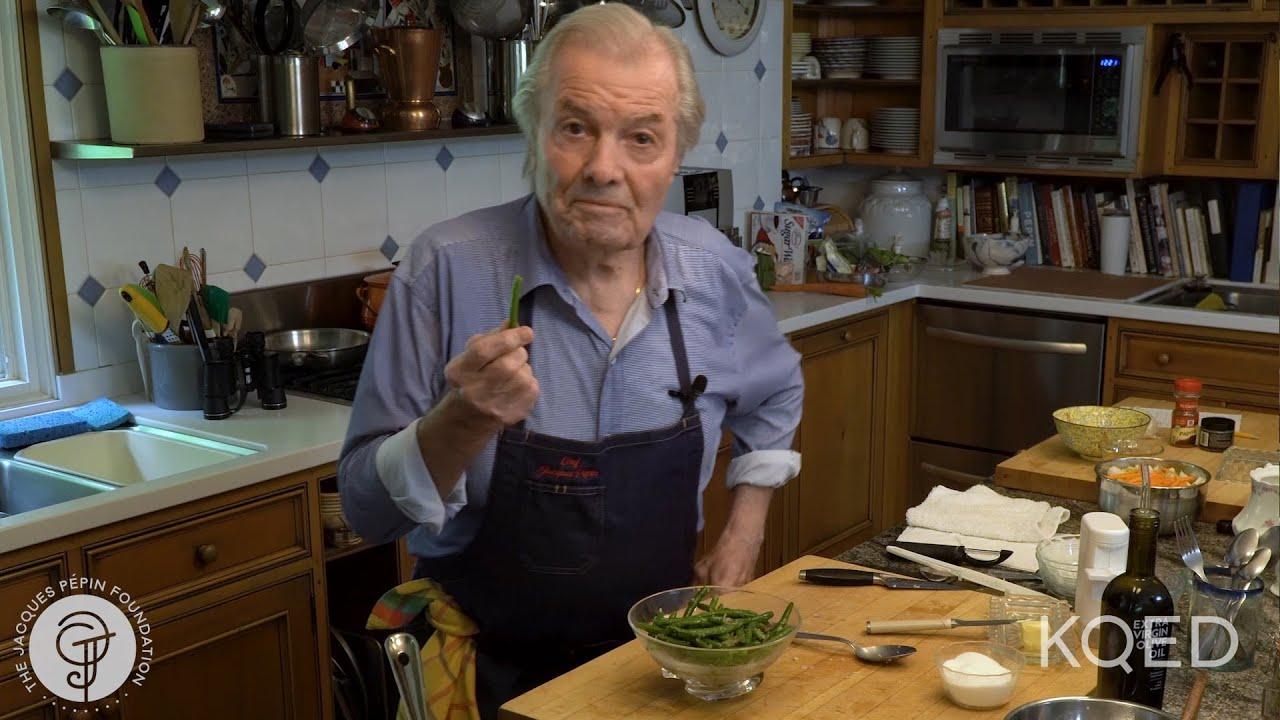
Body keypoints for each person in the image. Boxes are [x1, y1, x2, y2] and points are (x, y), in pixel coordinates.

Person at [338, 4, 803, 715]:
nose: (602, 170)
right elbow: (368, 512)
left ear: (676, 155)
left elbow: (775, 396)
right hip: (482, 674)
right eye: (576, 128)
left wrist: (745, 529)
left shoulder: (714, 271)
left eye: (641, 139)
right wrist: (462, 421)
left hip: (660, 670)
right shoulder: (445, 269)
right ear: (533, 134)